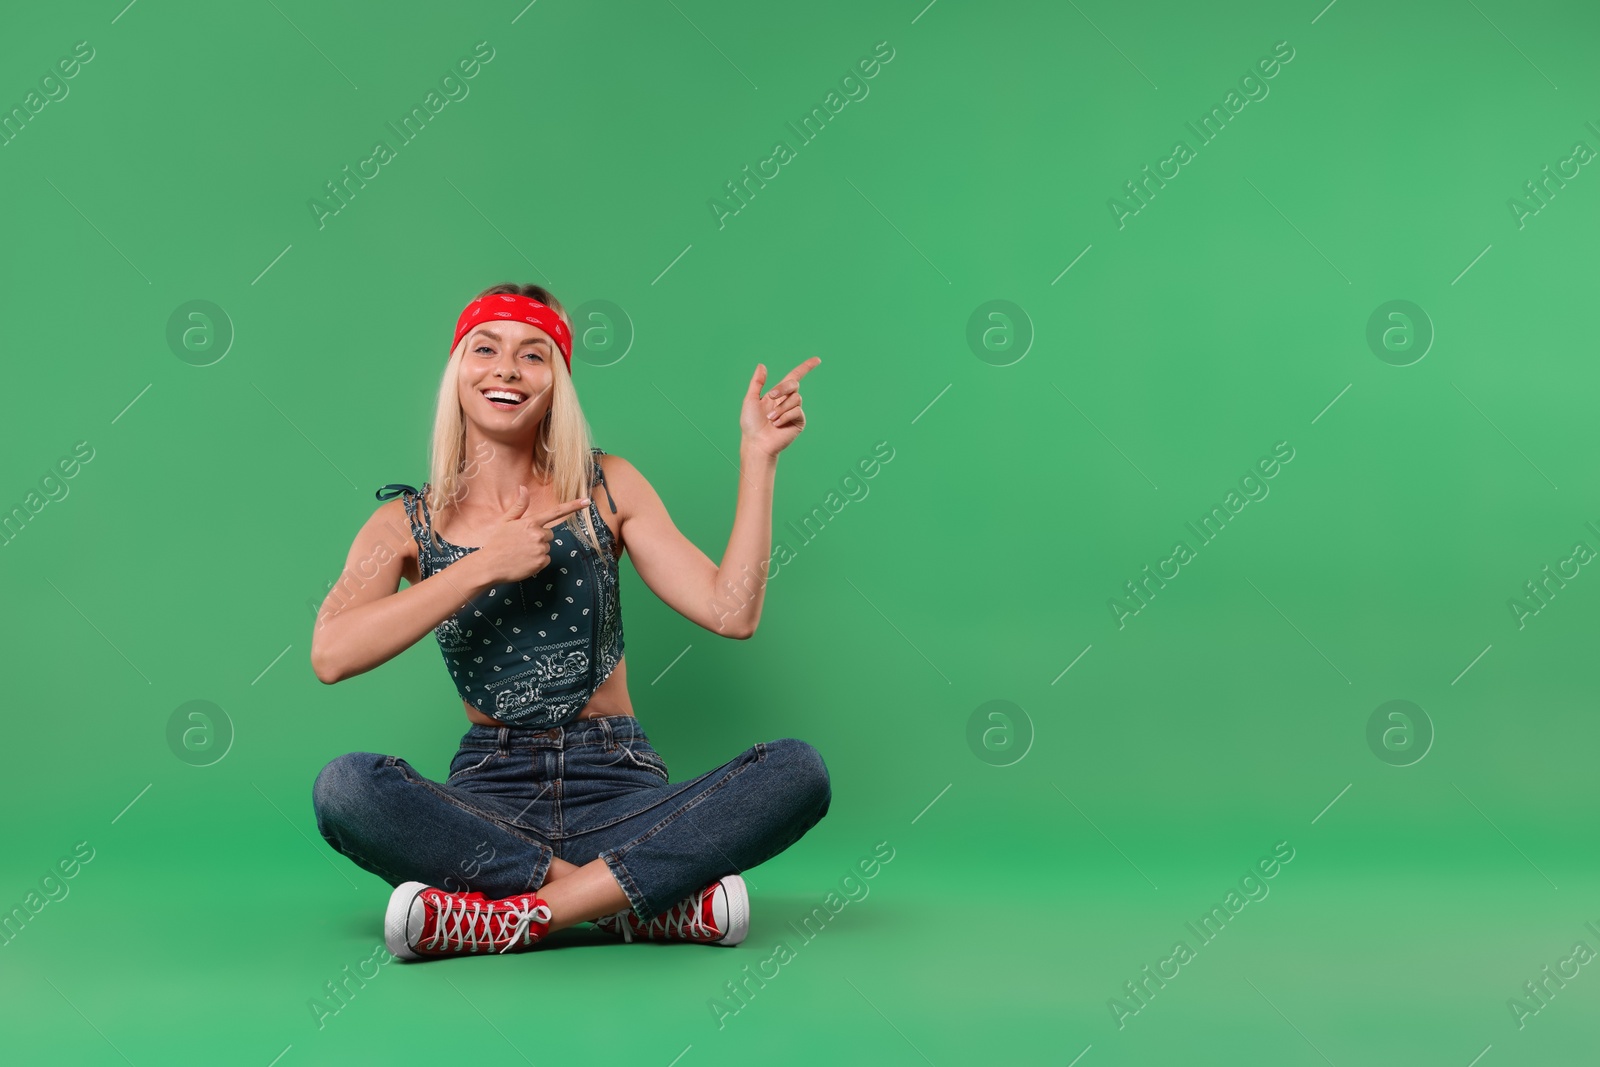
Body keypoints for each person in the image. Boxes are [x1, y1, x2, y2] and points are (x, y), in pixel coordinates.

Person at [309, 283, 829, 960]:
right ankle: (631, 903)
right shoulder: (405, 522)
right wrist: (480, 565)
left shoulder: (606, 486)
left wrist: (758, 460)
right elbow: (331, 654)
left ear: (556, 383)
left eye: (533, 354)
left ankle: (511, 915)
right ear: (457, 371)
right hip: (489, 800)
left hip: (616, 784)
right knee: (346, 787)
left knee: (797, 771)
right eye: (486, 349)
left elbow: (732, 613)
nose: (505, 369)